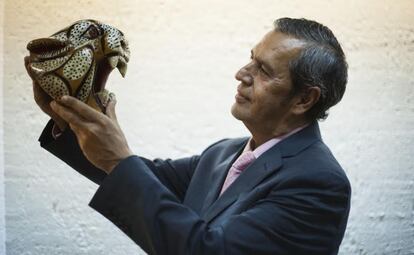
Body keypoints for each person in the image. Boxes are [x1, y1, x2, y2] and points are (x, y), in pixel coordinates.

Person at [28, 17, 351, 255]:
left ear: (304, 99)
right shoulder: (223, 153)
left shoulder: (317, 181)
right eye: (251, 59)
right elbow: (145, 178)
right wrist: (72, 117)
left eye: (264, 70)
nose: (242, 74)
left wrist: (117, 157)